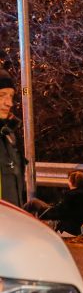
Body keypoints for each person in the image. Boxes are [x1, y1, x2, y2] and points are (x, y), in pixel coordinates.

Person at [24, 169, 83, 236]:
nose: (68, 183)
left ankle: (19, 222)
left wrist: (44, 213)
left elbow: (59, 213)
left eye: (69, 180)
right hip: (72, 224)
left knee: (33, 203)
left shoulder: (71, 196)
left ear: (73, 182)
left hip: (62, 225)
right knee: (35, 202)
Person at [0, 68, 24, 207]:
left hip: (8, 224)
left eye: (11, 96)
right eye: (2, 95)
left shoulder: (9, 135)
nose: (9, 103)